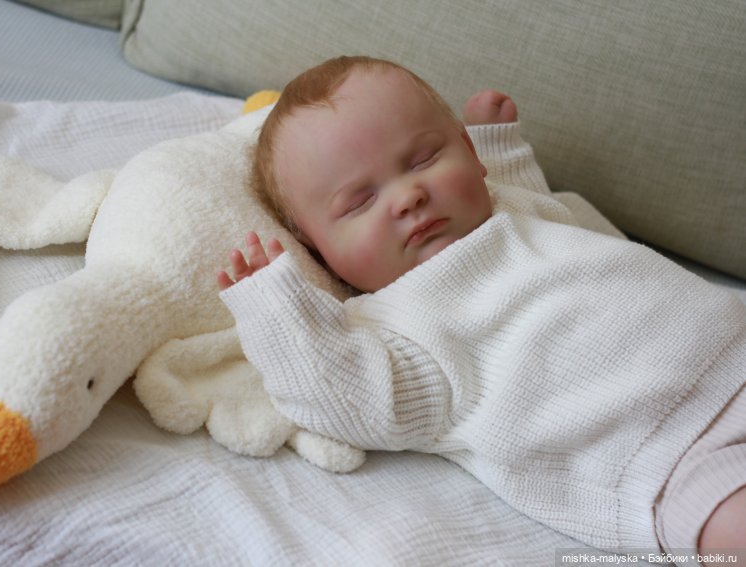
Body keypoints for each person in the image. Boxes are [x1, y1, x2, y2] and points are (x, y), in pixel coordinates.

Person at [216, 55, 746, 564]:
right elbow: (346, 400)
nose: (408, 196)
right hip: (668, 455)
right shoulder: (394, 331)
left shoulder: (511, 208)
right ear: (316, 253)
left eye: (424, 159)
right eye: (359, 202)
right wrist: (277, 312)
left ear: (470, 155)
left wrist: (500, 146)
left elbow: (537, 202)